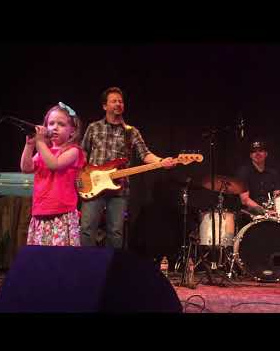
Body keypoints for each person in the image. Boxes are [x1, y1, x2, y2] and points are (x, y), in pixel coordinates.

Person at [80, 87, 176, 248]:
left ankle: (111, 269)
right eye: (114, 101)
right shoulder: (93, 127)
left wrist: (161, 161)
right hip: (93, 185)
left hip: (119, 189)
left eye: (120, 101)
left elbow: (145, 155)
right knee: (87, 229)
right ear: (105, 106)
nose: (118, 103)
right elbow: (82, 153)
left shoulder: (132, 132)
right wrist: (83, 174)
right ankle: (86, 268)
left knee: (116, 232)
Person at [20, 102, 86, 246]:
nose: (55, 127)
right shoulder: (44, 151)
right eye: (51, 123)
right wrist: (30, 145)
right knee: (42, 258)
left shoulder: (74, 151)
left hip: (62, 214)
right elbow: (26, 168)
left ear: (72, 131)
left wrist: (40, 143)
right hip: (41, 211)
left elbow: (54, 164)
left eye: (61, 124)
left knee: (60, 257)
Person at [236, 140, 280, 218]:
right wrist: (265, 211)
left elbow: (277, 195)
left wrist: (277, 208)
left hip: (270, 213)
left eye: (260, 151)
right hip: (250, 214)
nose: (257, 154)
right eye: (254, 152)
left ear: (266, 154)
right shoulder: (244, 172)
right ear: (250, 155)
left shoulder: (273, 173)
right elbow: (245, 200)